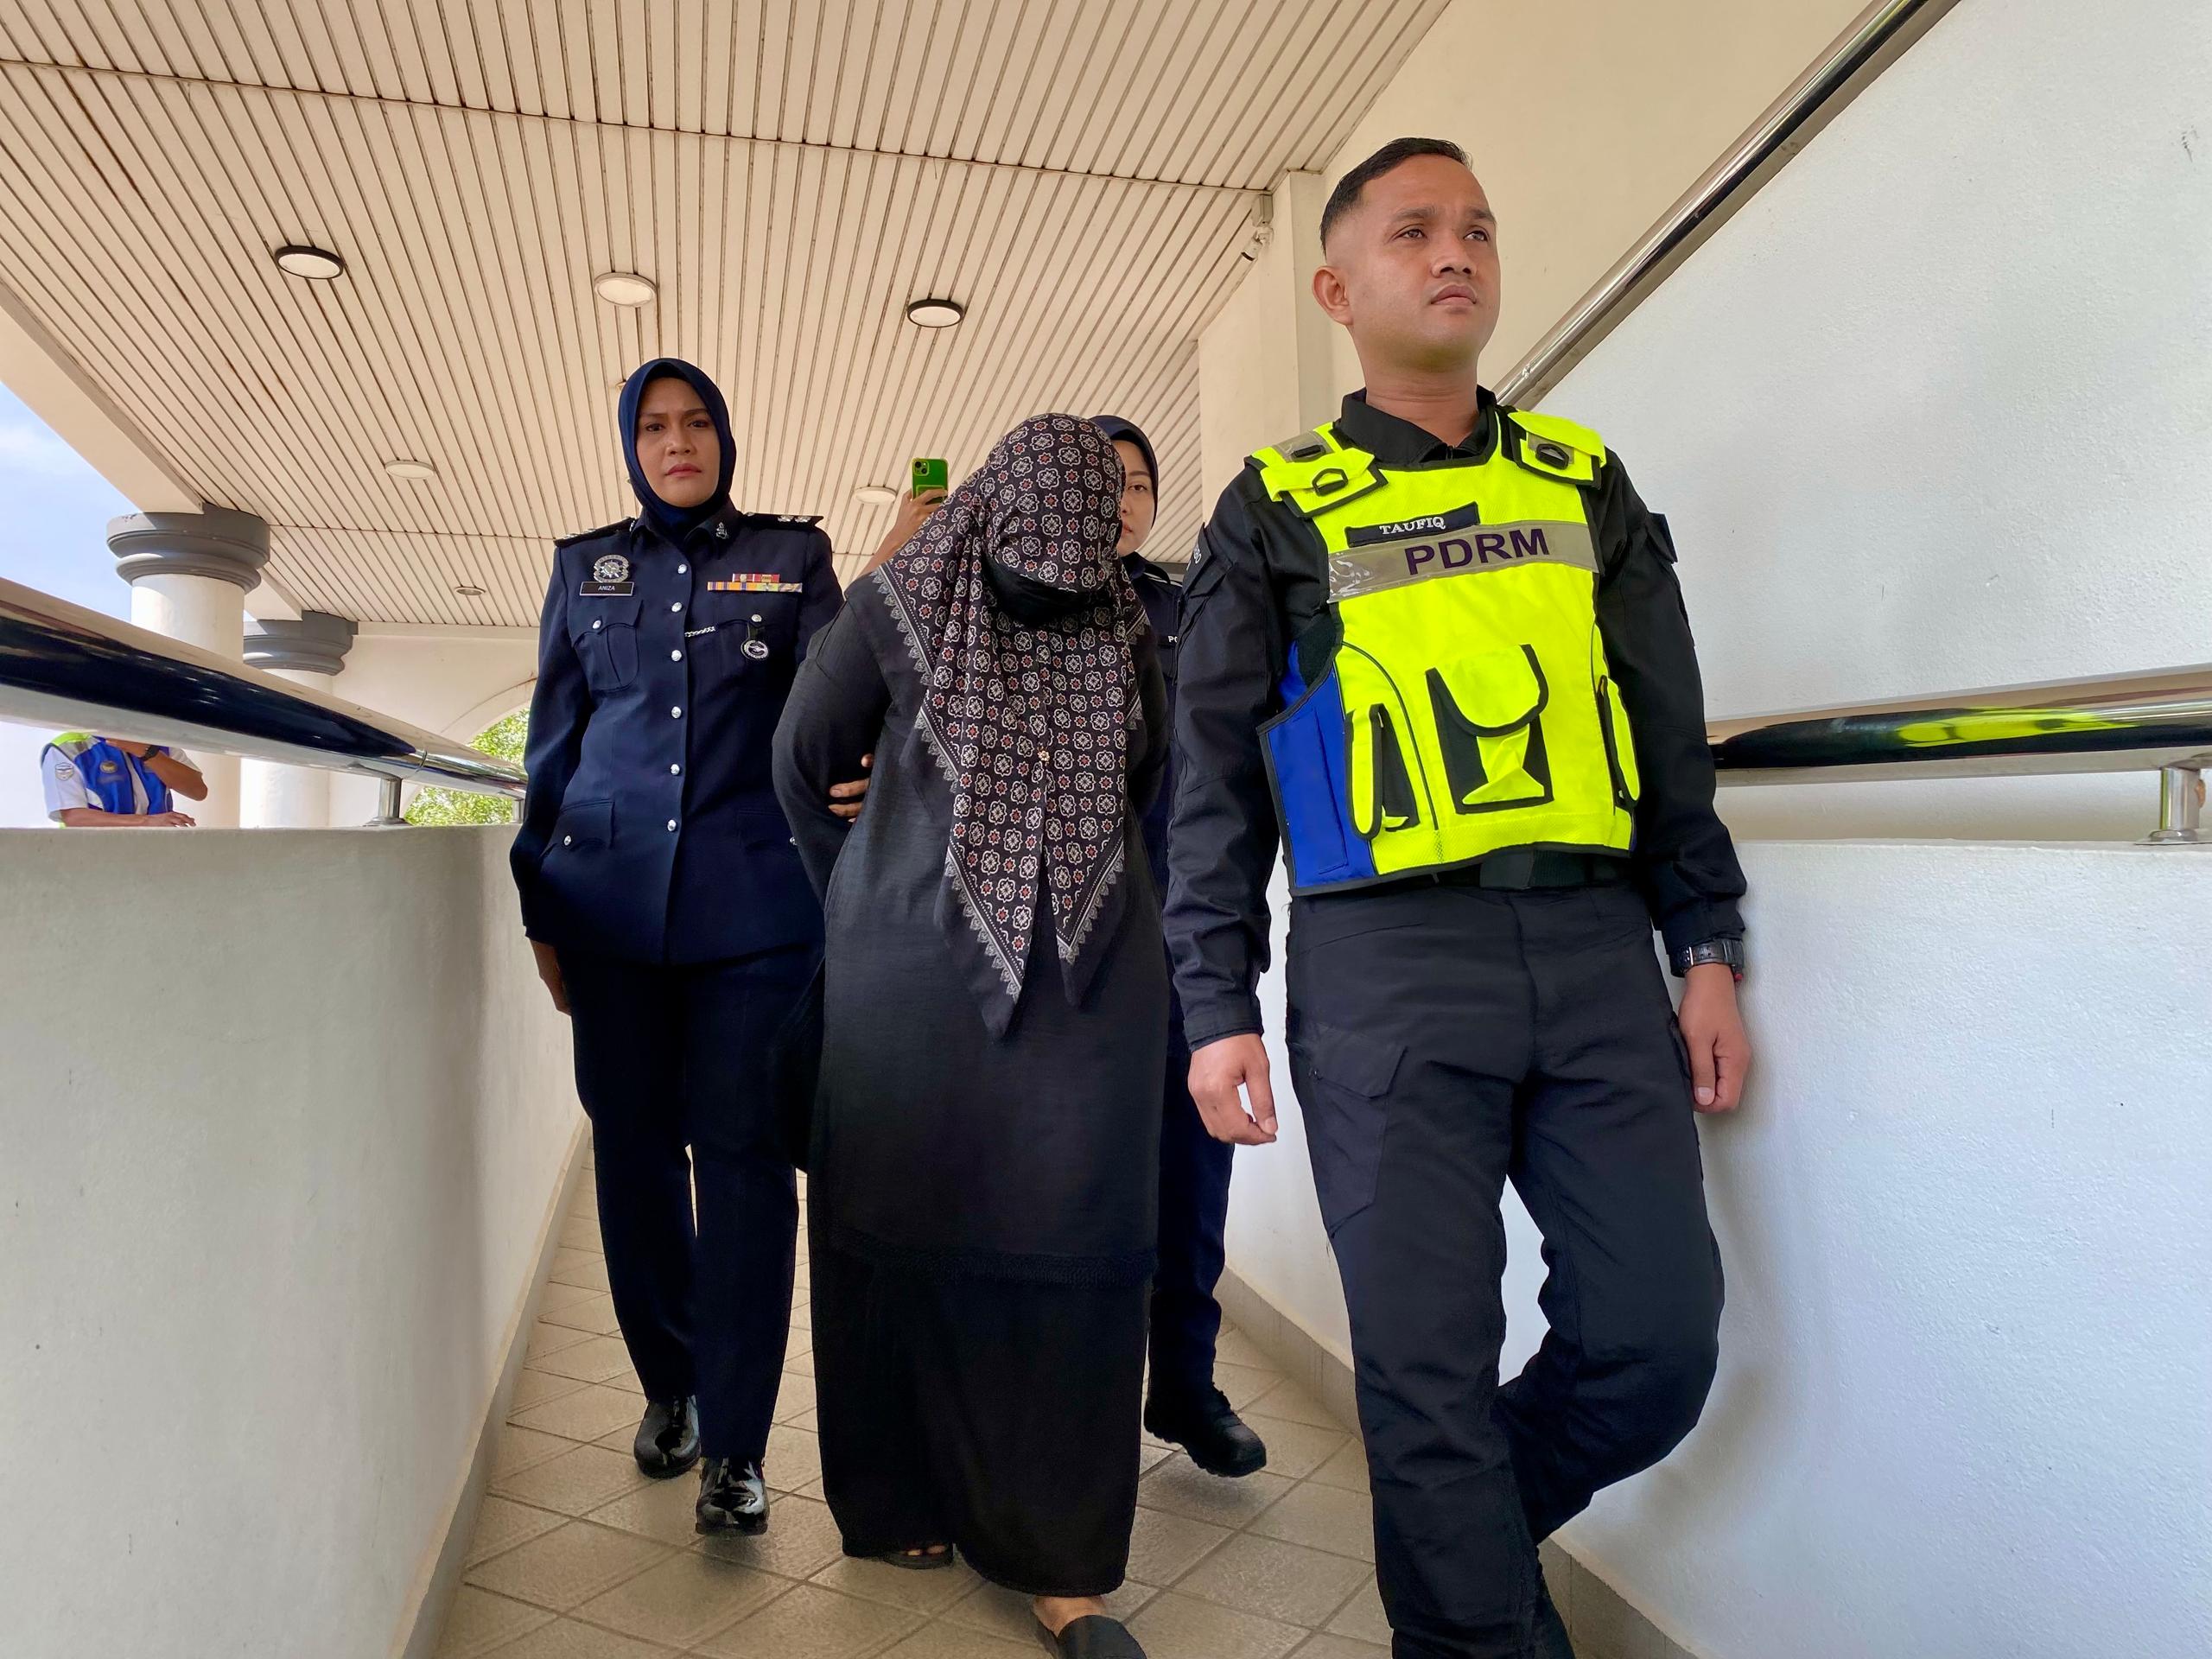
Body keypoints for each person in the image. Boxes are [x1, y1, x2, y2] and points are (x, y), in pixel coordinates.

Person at [1164, 137, 1754, 1659]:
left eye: (1478, 230)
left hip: (1594, 948)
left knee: (1656, 1344)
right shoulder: (1275, 506)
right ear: (1336, 289)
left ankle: (1456, 1557)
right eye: (1416, 231)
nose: (1456, 254)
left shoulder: (1579, 478)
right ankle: (1479, 1615)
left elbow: (1666, 729)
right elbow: (1213, 782)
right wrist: (1216, 1003)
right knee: (1425, 1376)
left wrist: (1705, 943)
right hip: (1386, 966)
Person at [773, 415, 1167, 1659]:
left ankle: (1063, 1560)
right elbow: (801, 761)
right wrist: (873, 886)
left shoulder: (1130, 628)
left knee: (1075, 1245)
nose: (1055, 571)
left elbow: (1148, 781)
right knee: (899, 1226)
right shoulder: (897, 605)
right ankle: (898, 1499)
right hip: (909, 983)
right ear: (987, 511)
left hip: (1091, 982)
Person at [511, 358, 842, 1534]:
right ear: (630, 446)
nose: (677, 441)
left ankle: (737, 1450)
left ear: (725, 437)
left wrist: (853, 781)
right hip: (607, 912)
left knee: (745, 1166)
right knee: (635, 1156)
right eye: (654, 426)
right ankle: (672, 1387)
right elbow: (552, 745)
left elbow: (835, 700)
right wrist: (540, 904)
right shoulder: (583, 567)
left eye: (697, 421)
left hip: (755, 913)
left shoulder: (792, 559)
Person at [1089, 415, 1266, 1478]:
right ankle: (1084, 1399)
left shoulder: (1188, 603)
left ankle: (1186, 1386)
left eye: (1138, 483)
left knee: (1193, 1182)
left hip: (1181, 942)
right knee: (1078, 1188)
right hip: (1063, 961)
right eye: (1100, 479)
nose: (1121, 500)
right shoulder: (1017, 609)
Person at [41, 733, 203, 825]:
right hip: (92, 859)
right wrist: (147, 822)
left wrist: (148, 753)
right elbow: (74, 817)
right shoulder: (68, 748)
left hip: (154, 854)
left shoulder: (158, 741)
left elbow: (198, 791)